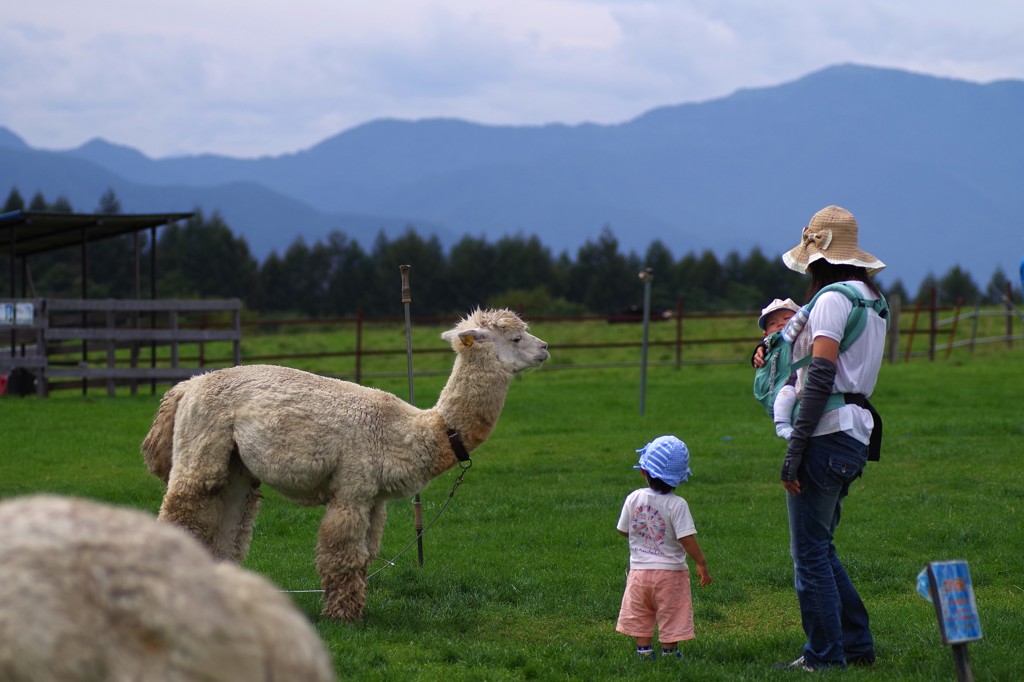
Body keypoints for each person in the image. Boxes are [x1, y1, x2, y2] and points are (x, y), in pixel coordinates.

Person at [774, 205, 886, 671]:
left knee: (809, 556)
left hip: (826, 432)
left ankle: (824, 656)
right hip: (856, 435)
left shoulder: (832, 300)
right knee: (822, 546)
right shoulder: (873, 300)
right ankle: (855, 645)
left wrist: (794, 449)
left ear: (817, 257)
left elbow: (820, 377)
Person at [615, 435, 712, 661]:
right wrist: (701, 562)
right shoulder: (678, 505)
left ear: (643, 471)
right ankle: (669, 652)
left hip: (639, 573)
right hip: (671, 574)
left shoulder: (634, 498)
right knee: (672, 612)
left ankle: (644, 650)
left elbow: (622, 530)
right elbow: (687, 539)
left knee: (641, 612)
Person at [752, 298, 801, 439]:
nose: (780, 323)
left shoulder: (803, 334)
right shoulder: (769, 345)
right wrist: (760, 348)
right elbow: (771, 344)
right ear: (766, 334)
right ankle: (782, 424)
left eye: (786, 318)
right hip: (788, 382)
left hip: (806, 377)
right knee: (786, 394)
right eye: (772, 323)